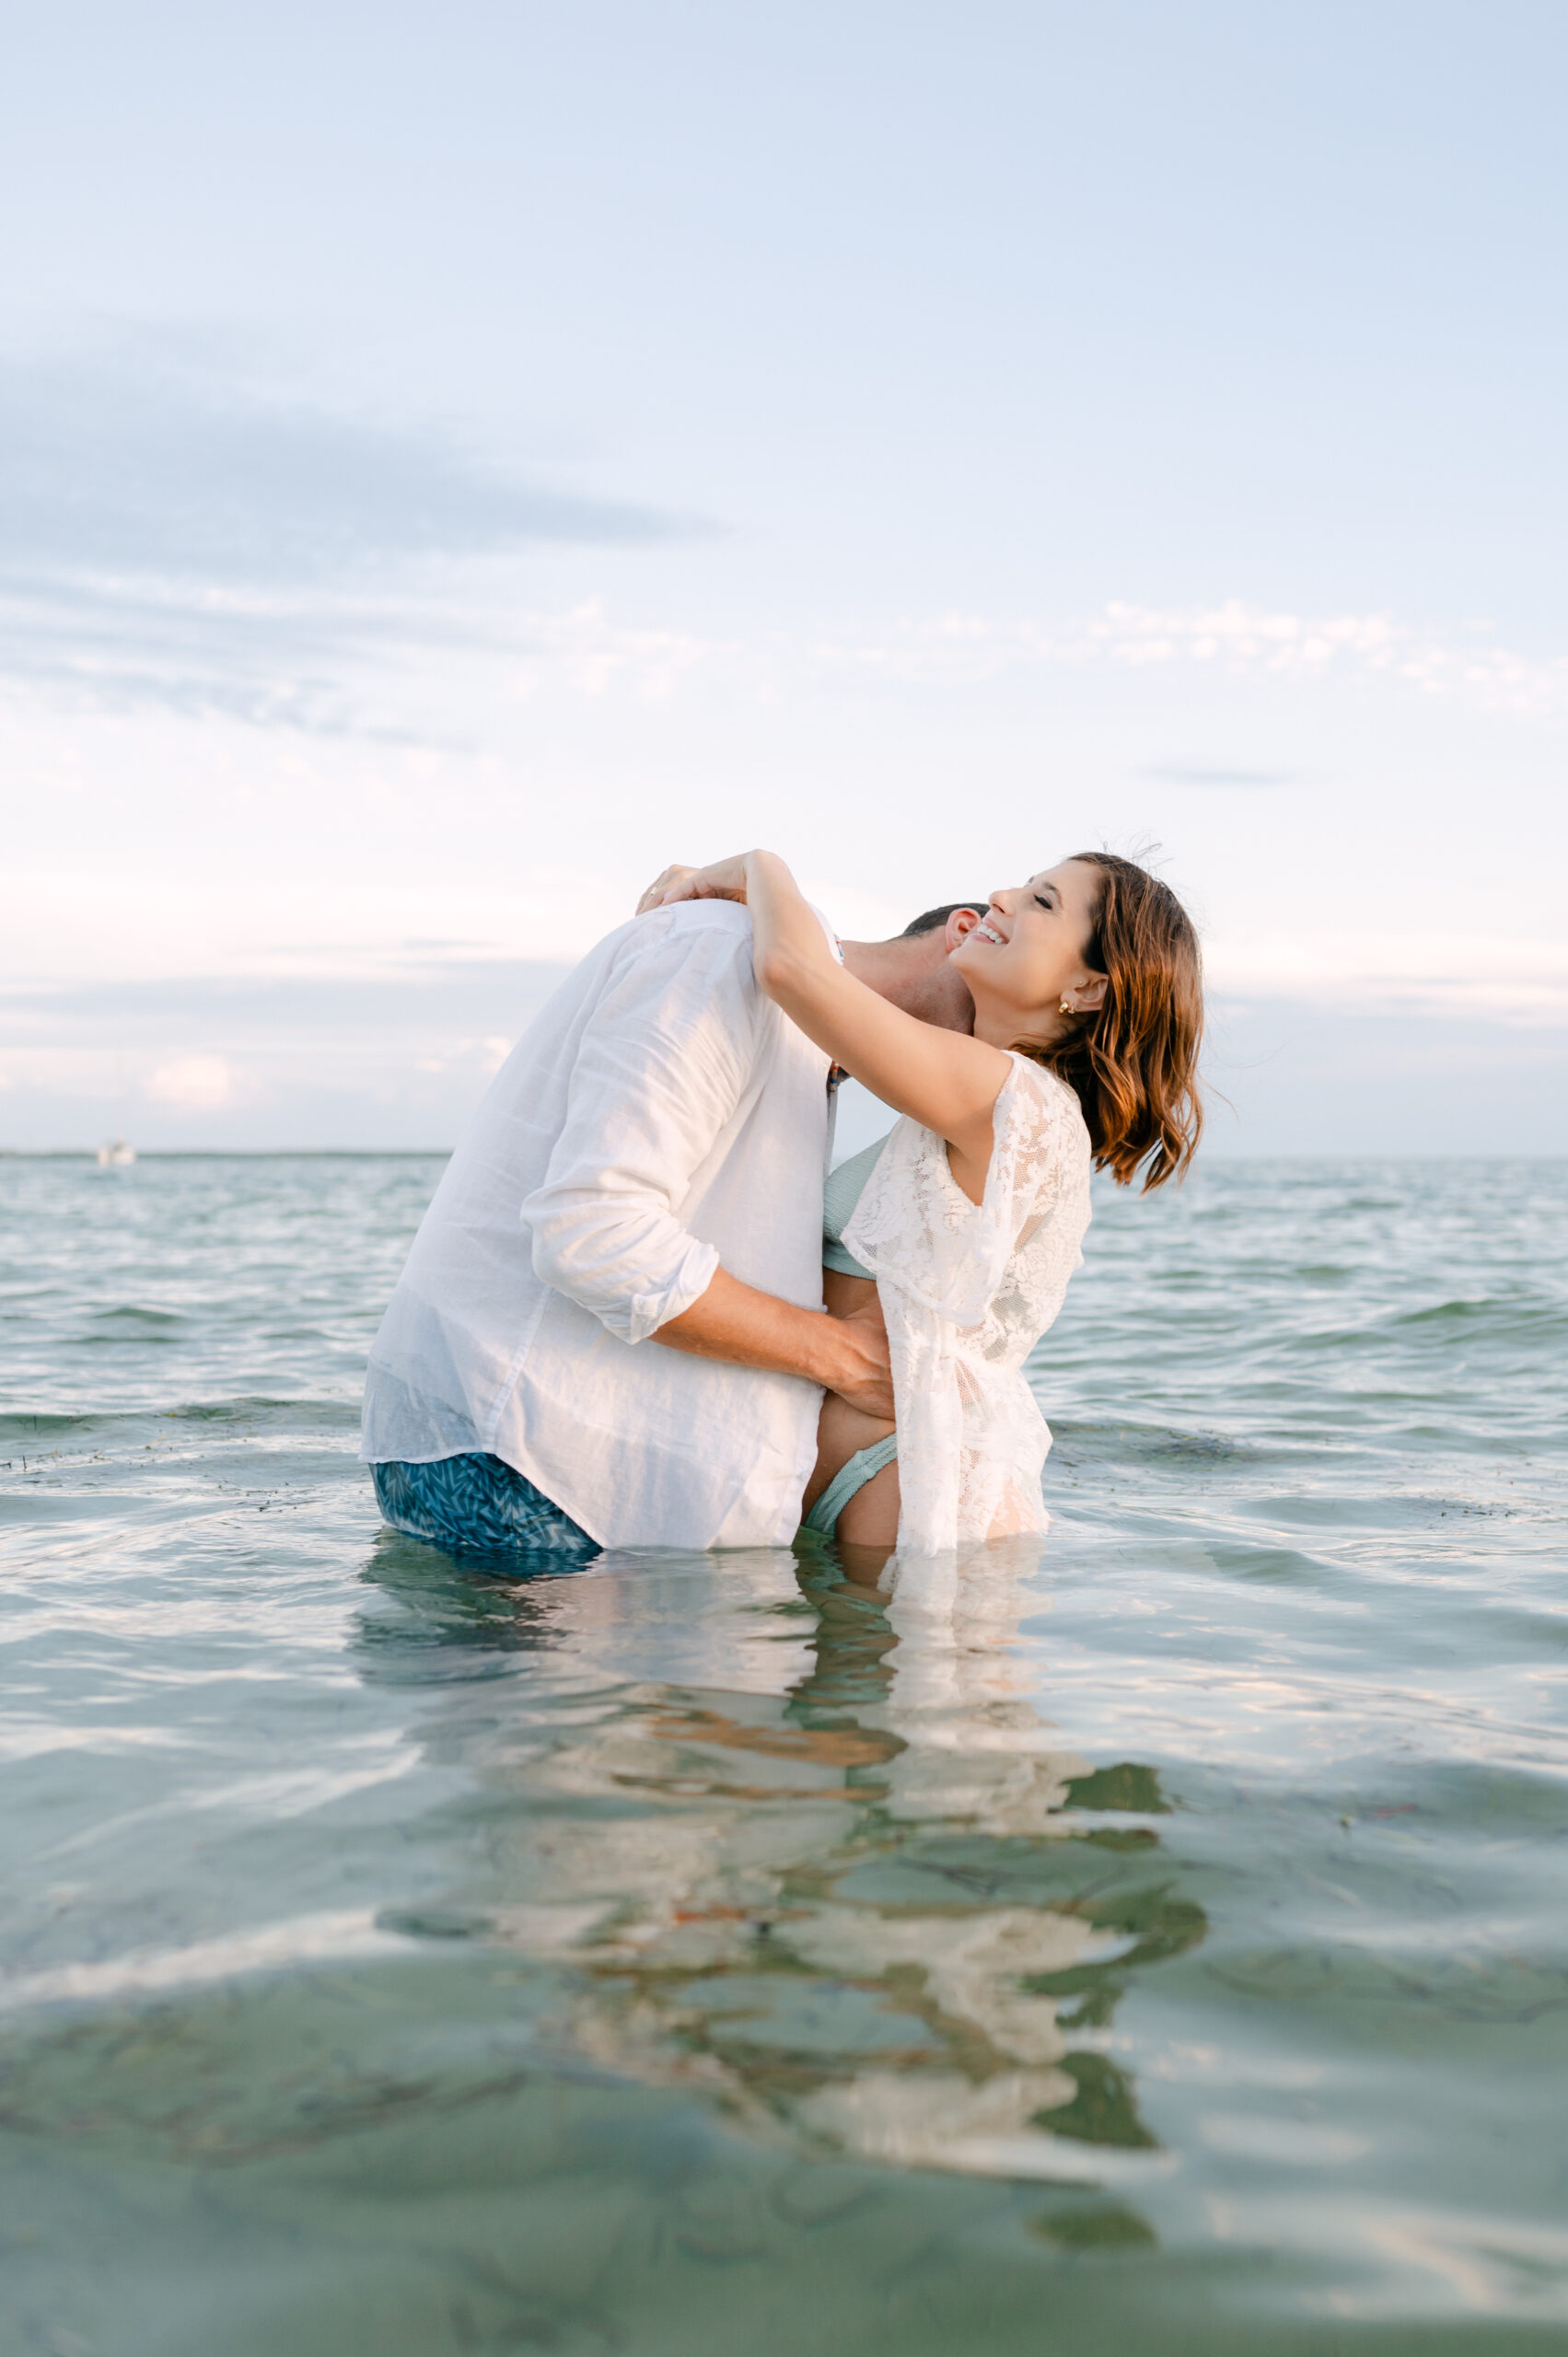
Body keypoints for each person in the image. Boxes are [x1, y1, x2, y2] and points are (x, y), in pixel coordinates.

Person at [361, 892, 988, 1555]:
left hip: (561, 1472)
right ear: (967, 934)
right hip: (524, 1465)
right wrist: (843, 1357)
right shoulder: (716, 954)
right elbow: (597, 1235)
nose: (1003, 1066)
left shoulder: (802, 1040)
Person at [642, 850, 1203, 1555]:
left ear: (1089, 988)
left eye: (1042, 903)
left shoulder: (1008, 1097)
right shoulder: (988, 1096)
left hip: (913, 1471)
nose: (1001, 895)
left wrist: (758, 870)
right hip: (880, 1465)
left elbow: (794, 970)